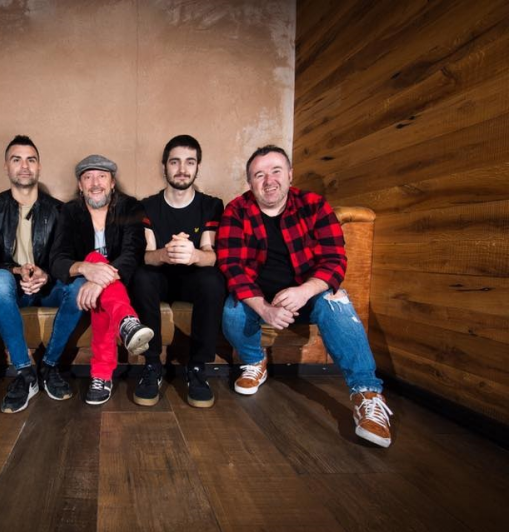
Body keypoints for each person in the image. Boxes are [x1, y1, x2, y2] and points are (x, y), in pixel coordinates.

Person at [217, 145, 393, 447]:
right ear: (249, 182)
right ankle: (254, 361)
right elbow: (231, 266)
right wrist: (264, 308)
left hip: (306, 291)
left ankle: (367, 394)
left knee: (337, 301)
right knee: (232, 309)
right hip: (259, 296)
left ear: (290, 174)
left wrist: (305, 291)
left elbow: (335, 259)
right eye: (259, 175)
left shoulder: (314, 205)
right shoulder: (236, 210)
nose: (268, 181)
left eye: (276, 171)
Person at [0, 135, 83, 413]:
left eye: (31, 160)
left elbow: (66, 258)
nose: (24, 166)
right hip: (11, 288)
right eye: (17, 160)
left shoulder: (59, 210)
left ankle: (49, 366)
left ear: (39, 167)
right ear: (6, 166)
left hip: (48, 287)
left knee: (81, 286)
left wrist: (46, 274)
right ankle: (25, 372)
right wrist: (16, 270)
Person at [49, 154, 154, 405]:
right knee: (95, 260)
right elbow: (57, 259)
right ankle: (126, 323)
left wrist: (99, 279)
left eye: (102, 176)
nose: (95, 183)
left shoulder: (130, 207)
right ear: (80, 185)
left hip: (121, 280)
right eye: (88, 177)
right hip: (90, 285)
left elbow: (133, 252)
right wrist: (87, 268)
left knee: (101, 283)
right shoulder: (69, 211)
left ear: (112, 182)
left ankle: (101, 376)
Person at [130, 135, 226, 408]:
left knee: (213, 280)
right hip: (160, 278)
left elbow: (211, 255)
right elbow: (147, 256)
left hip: (193, 279)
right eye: (175, 162)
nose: (182, 169)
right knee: (141, 277)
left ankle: (197, 367)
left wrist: (193, 254)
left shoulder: (210, 205)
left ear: (197, 167)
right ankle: (152, 365)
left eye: (189, 162)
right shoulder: (147, 206)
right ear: (164, 167)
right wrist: (166, 253)